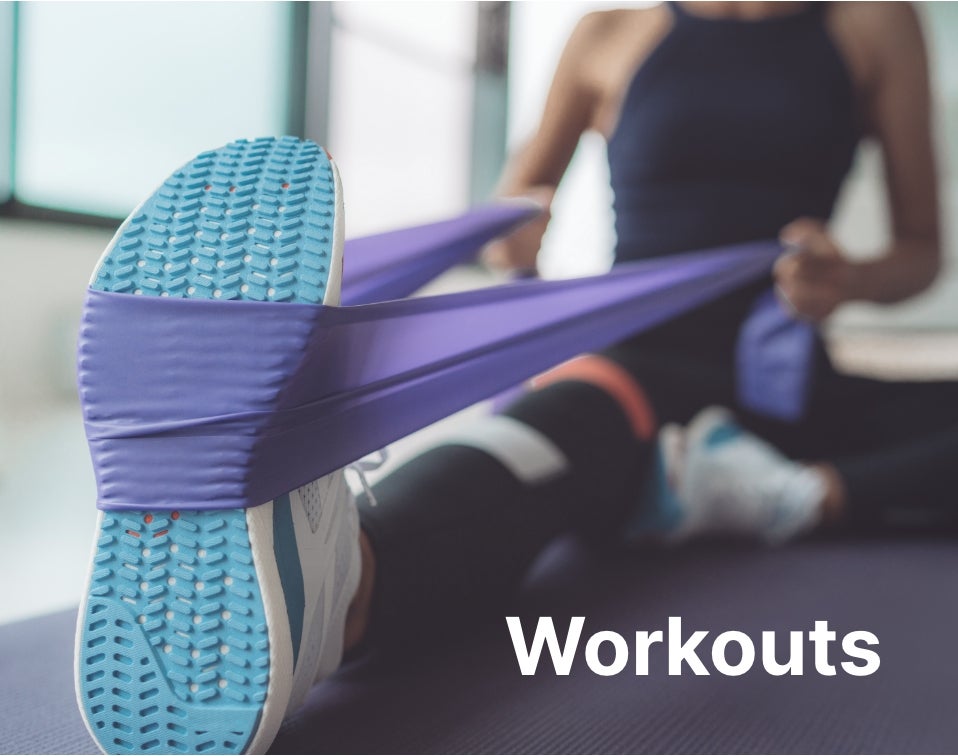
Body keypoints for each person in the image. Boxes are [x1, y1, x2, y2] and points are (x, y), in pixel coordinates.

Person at [340, 0, 952, 652]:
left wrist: (848, 280)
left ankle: (787, 494)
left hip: (788, 385)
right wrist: (513, 241)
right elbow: (515, 208)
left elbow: (921, 252)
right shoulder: (609, 33)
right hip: (633, 368)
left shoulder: (874, 23)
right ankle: (334, 585)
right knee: (537, 441)